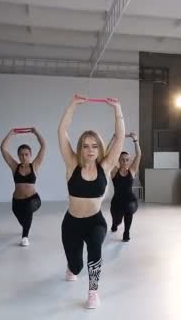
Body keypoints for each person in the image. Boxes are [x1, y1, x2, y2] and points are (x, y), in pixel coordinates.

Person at [58, 95, 124, 309]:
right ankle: (71, 267)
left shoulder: (105, 167)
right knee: (76, 267)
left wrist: (117, 110)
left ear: (99, 148)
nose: (90, 150)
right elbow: (62, 132)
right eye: (86, 146)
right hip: (72, 223)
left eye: (94, 146)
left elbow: (121, 136)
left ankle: (93, 291)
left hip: (95, 222)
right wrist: (72, 106)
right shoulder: (71, 165)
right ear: (81, 148)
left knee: (95, 246)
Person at [0, 128, 46, 246]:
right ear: (18, 156)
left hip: (33, 199)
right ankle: (26, 226)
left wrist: (36, 132)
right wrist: (11, 133)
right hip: (17, 201)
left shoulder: (34, 166)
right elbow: (3, 148)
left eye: (26, 154)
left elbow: (43, 145)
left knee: (28, 209)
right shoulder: (15, 167)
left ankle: (25, 237)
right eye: (21, 155)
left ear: (30, 155)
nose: (24, 157)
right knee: (23, 219)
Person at [107, 132, 141, 242]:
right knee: (117, 221)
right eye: (122, 160)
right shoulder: (114, 171)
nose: (125, 162)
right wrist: (113, 138)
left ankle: (126, 232)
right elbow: (107, 155)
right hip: (117, 202)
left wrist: (135, 140)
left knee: (129, 209)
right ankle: (115, 223)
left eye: (127, 160)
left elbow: (139, 155)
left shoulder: (132, 170)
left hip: (130, 201)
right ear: (119, 160)